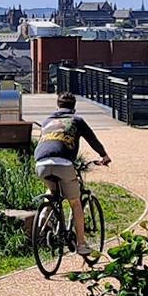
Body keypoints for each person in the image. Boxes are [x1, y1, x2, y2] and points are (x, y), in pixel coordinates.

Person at [35, 92, 111, 257]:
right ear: (74, 108)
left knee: (53, 190)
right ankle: (82, 244)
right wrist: (104, 156)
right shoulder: (77, 120)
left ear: (57, 106)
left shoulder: (47, 121)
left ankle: (44, 214)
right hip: (63, 163)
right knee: (75, 203)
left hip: (40, 163)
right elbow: (93, 140)